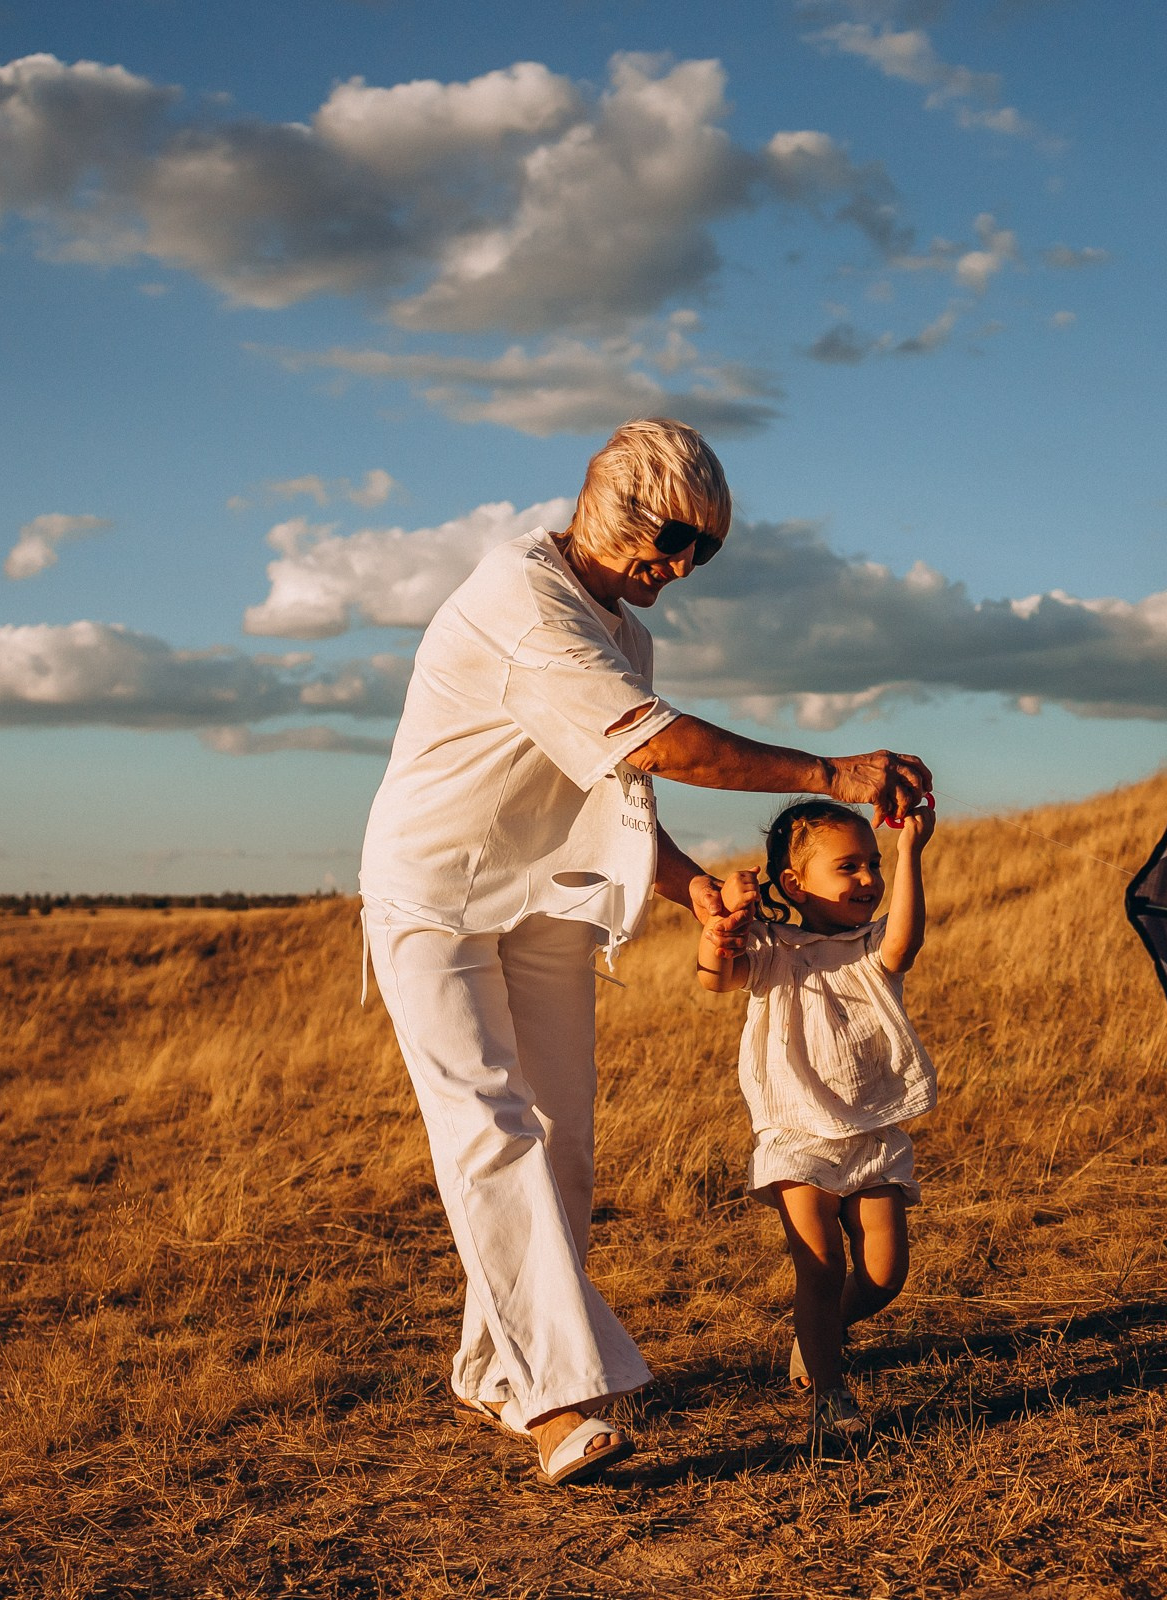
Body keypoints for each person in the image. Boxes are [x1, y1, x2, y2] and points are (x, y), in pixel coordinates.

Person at [357, 418, 933, 1487]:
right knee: (492, 1128)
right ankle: (555, 1403)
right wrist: (834, 771)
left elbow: (614, 794)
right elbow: (660, 740)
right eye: (671, 541)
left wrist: (694, 889)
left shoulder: (625, 637)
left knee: (565, 1149)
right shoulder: (521, 602)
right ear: (610, 509)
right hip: (431, 897)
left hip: (540, 904)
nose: (678, 568)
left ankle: (492, 1364)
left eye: (700, 552)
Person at [696, 797, 936, 1441]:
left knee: (884, 1276)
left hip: (872, 1131)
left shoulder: (870, 944)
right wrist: (724, 921)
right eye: (848, 867)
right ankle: (831, 1398)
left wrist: (911, 852)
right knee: (822, 1264)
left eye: (873, 866)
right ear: (796, 884)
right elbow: (716, 978)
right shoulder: (771, 945)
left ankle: (820, 1334)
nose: (867, 879)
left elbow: (907, 941)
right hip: (796, 1132)